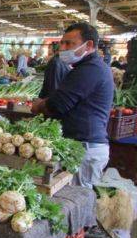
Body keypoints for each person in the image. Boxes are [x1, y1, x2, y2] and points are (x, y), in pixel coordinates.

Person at [31, 22, 113, 188]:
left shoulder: (89, 70)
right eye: (62, 42)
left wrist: (39, 105)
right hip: (83, 147)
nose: (63, 47)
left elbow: (58, 105)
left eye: (69, 43)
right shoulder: (88, 68)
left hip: (85, 149)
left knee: (77, 200)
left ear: (89, 45)